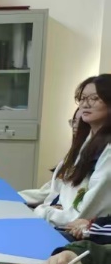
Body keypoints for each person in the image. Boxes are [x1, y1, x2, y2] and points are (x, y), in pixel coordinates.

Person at [22, 75, 111, 234]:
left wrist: (43, 211)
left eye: (94, 98)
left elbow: (80, 216)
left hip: (78, 232)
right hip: (57, 219)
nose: (85, 104)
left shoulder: (107, 151)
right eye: (82, 98)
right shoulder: (86, 143)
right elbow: (56, 191)